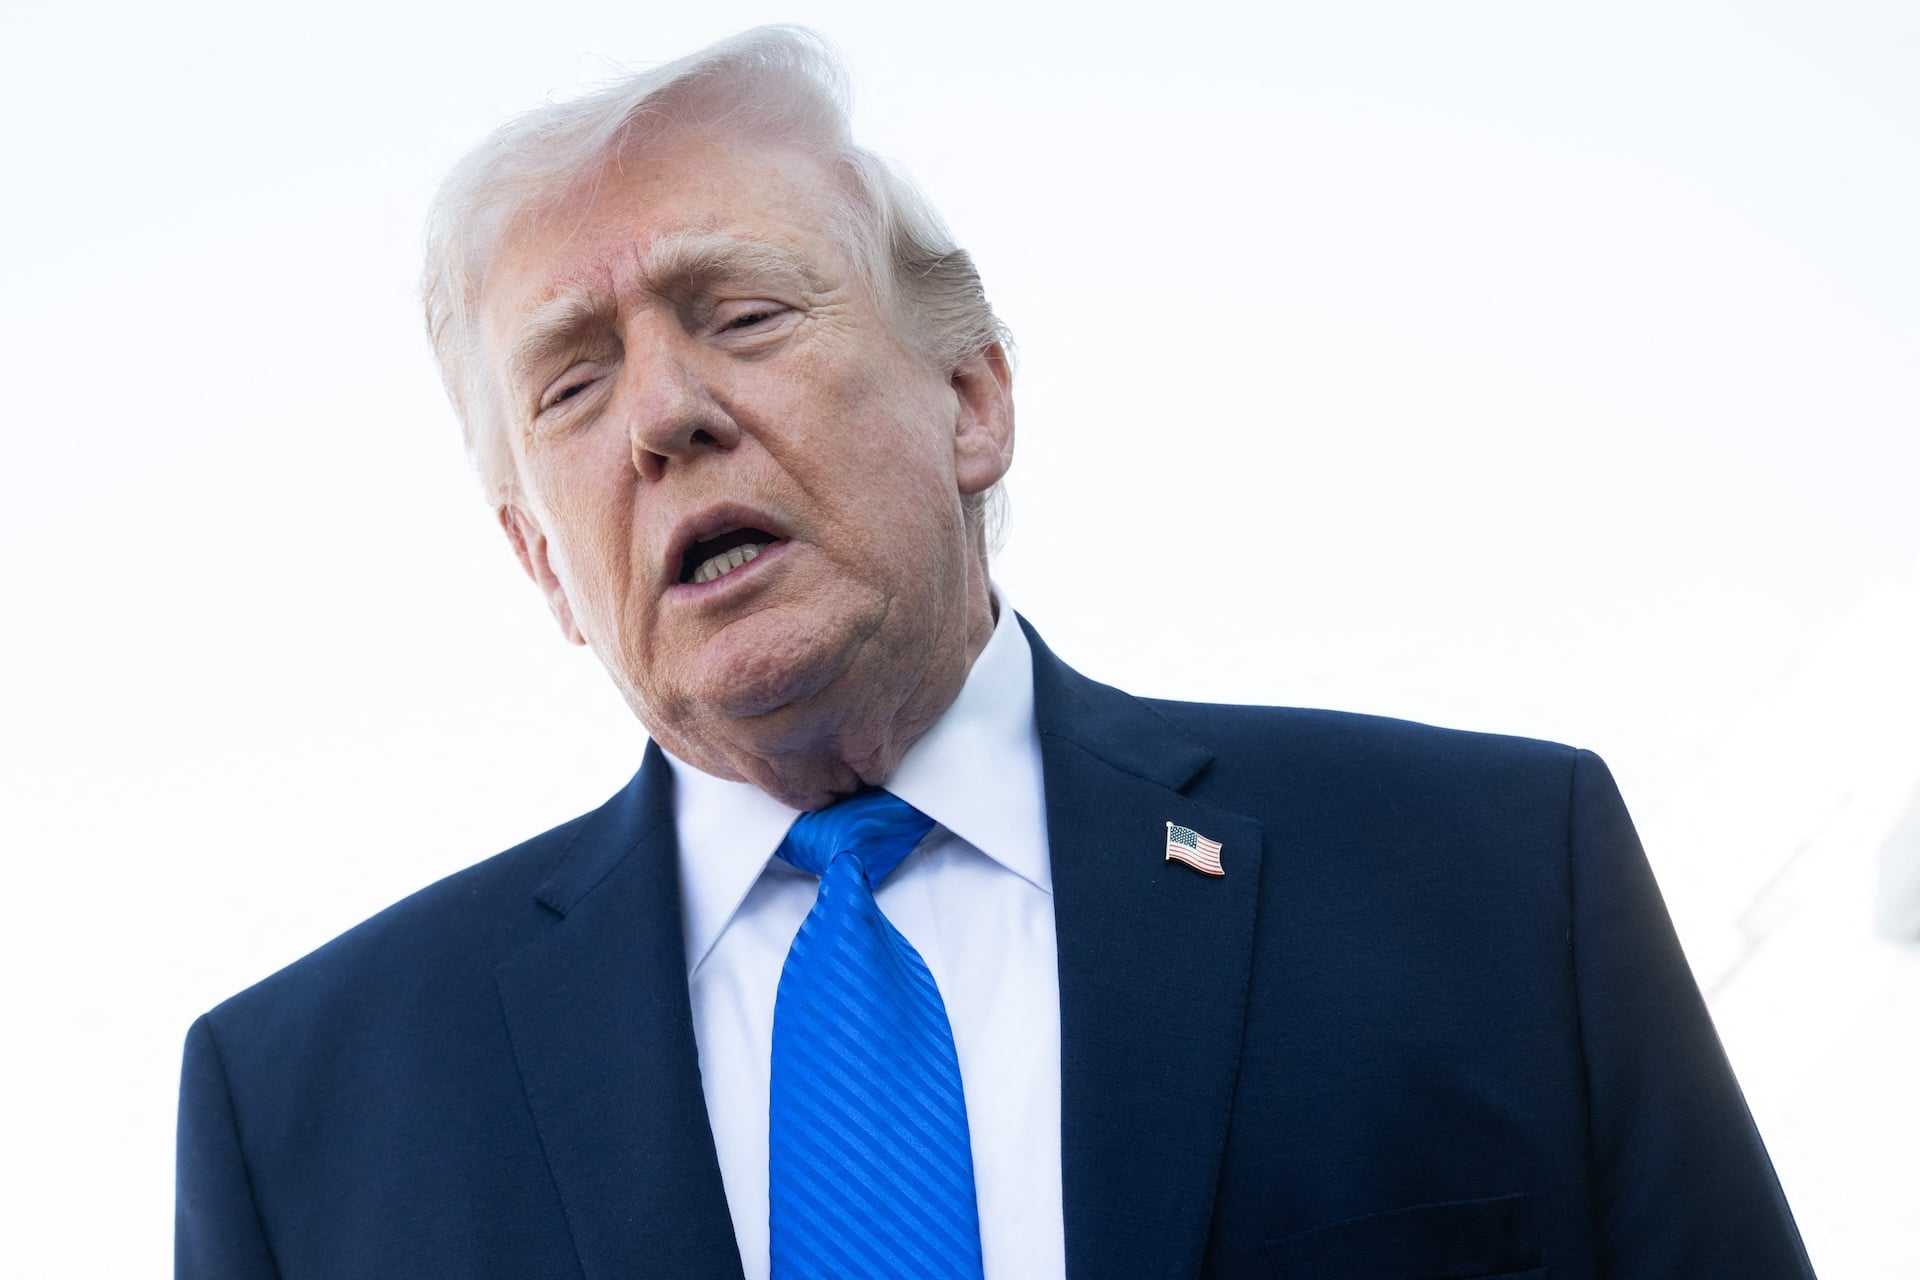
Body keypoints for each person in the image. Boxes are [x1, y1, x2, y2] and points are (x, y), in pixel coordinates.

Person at [175, 26, 1817, 1280]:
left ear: (972, 399)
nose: (667, 413)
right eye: (573, 382)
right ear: (542, 560)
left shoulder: (1493, 880)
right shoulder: (301, 1117)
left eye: (742, 312)